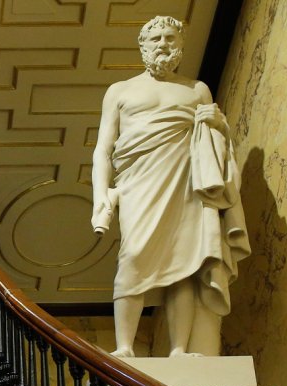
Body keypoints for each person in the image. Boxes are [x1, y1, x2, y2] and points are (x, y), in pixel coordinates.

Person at [92, 15, 250, 357]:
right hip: (139, 181)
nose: (163, 44)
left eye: (170, 38)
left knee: (185, 264)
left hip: (187, 181)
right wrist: (99, 196)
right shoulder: (120, 91)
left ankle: (179, 349)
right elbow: (103, 149)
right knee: (133, 255)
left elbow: (216, 144)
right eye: (156, 39)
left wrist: (220, 125)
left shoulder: (196, 89)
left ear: (180, 46)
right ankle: (124, 348)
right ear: (143, 46)